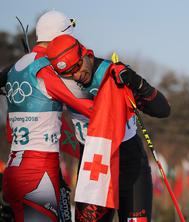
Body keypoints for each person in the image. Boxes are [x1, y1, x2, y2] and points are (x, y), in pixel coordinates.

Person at [46, 34, 170, 222]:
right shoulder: (59, 82)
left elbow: (163, 110)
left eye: (78, 67)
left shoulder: (111, 75)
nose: (76, 75)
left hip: (130, 168)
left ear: (86, 54)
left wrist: (137, 83)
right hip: (95, 171)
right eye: (68, 73)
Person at [1, 10, 95, 222]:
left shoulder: (15, 68)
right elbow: (85, 106)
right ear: (61, 37)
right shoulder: (46, 70)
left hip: (14, 168)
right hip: (38, 172)